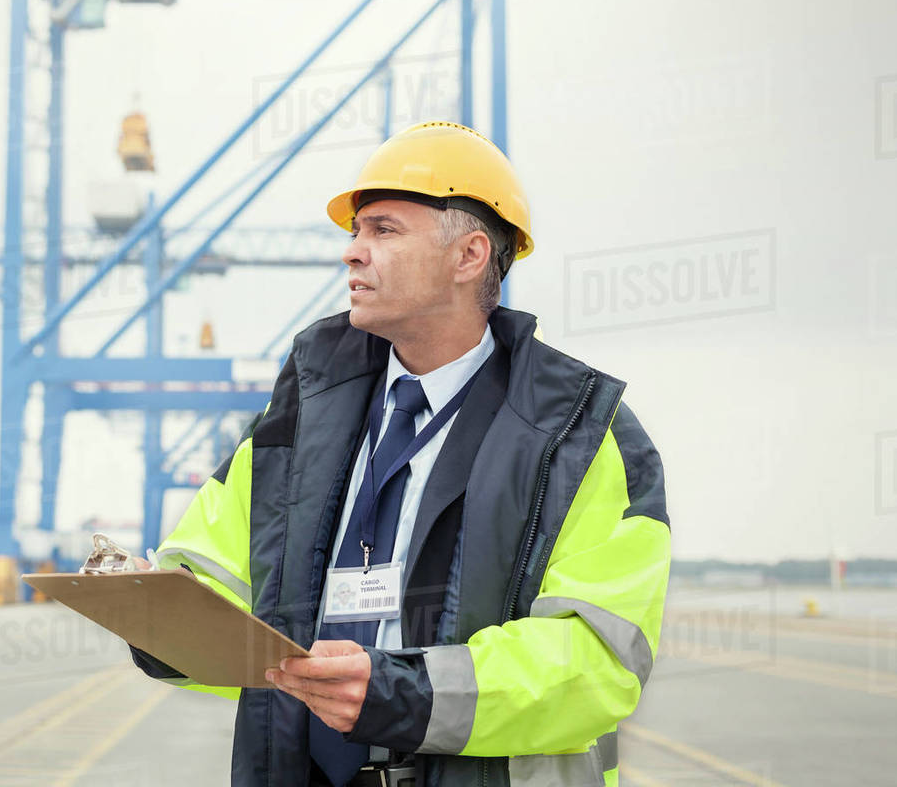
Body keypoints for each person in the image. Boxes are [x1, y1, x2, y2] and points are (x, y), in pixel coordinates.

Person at [128, 121, 670, 787]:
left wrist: (405, 694)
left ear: (469, 256)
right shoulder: (298, 419)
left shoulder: (584, 435)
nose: (353, 254)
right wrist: (152, 614)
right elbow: (219, 584)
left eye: (383, 231)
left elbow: (597, 660)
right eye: (354, 233)